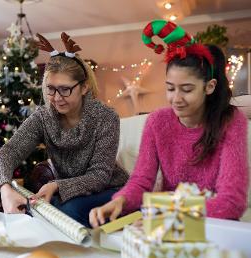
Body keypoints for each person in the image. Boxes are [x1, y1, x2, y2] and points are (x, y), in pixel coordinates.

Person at [89, 20, 249, 228]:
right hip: (164, 224)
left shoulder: (232, 121)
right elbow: (141, 181)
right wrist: (120, 201)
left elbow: (232, 202)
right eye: (171, 88)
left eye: (187, 89)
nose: (176, 98)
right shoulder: (157, 122)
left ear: (209, 87)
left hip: (214, 226)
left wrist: (165, 214)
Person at [0, 32, 128, 227]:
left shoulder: (106, 117)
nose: (56, 98)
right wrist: (5, 189)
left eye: (65, 89)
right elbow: (7, 154)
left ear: (84, 87)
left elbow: (99, 175)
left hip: (111, 189)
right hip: (69, 193)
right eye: (51, 89)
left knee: (65, 212)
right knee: (40, 210)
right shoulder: (43, 117)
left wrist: (56, 185)